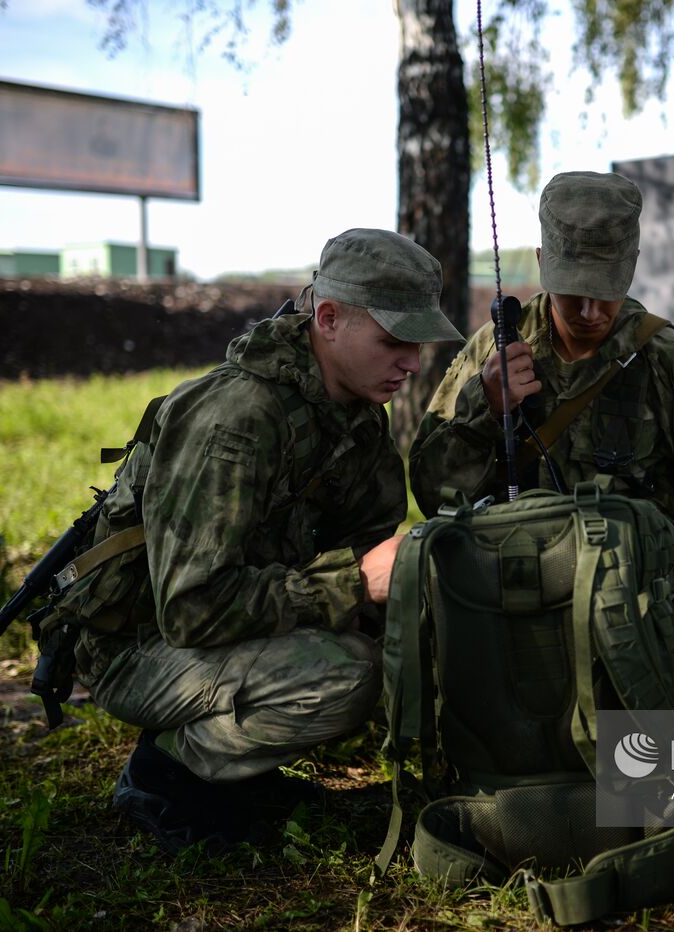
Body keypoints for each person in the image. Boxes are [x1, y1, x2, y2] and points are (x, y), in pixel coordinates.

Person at [69, 229, 463, 851]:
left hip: (229, 628)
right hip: (141, 644)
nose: (413, 363)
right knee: (344, 676)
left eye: (417, 343)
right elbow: (191, 606)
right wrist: (354, 585)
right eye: (394, 341)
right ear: (328, 319)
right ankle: (167, 773)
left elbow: (363, 543)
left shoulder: (353, 415)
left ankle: (246, 776)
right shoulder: (236, 419)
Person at [409, 171, 674, 710]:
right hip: (514, 586)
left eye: (604, 292)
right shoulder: (496, 349)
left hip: (642, 593)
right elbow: (432, 494)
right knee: (424, 643)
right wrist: (481, 411)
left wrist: (634, 569)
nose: (589, 312)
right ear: (541, 264)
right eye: (573, 290)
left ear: (630, 267)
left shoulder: (664, 357)